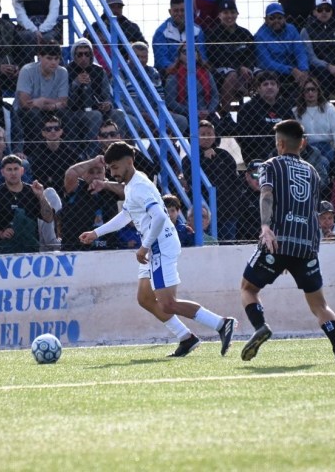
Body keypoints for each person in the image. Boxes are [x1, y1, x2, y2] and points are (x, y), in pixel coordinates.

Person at [77, 142, 235, 356]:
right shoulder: (133, 184)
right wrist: (96, 233)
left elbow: (160, 216)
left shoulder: (139, 186)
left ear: (129, 162)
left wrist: (144, 246)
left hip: (159, 246)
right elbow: (126, 215)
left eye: (114, 167)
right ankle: (186, 338)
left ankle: (221, 323)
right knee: (145, 299)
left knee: (168, 303)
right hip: (154, 246)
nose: (112, 173)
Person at [238, 119, 335, 363]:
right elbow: (311, 208)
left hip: (277, 240)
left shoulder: (271, 165)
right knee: (319, 305)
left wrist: (266, 226)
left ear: (280, 143)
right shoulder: (312, 171)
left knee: (248, 288)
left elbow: (266, 194)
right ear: (302, 143)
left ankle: (260, 327)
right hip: (306, 245)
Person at [180, 120, 241, 241]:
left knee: (228, 244)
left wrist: (235, 200)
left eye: (209, 133)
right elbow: (192, 180)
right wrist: (205, 159)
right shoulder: (189, 159)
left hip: (227, 209)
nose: (206, 137)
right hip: (204, 211)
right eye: (202, 134)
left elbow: (235, 180)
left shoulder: (224, 155)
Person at [299, 0, 335, 114]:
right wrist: (329, 66)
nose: (324, 12)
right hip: (320, 68)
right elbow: (311, 57)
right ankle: (324, 111)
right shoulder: (306, 30)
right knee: (322, 75)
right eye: (320, 9)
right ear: (314, 11)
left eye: (327, 9)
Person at [0, 155, 54, 253]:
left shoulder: (32, 191)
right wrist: (1, 234)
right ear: (2, 172)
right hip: (4, 249)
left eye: (16, 169)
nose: (13, 173)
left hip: (30, 247)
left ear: (22, 171)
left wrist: (41, 196)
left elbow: (49, 218)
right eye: (9, 169)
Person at [60, 155, 123, 251]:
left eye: (99, 172)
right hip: (76, 248)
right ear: (83, 174)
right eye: (91, 172)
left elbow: (129, 190)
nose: (96, 176)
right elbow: (71, 173)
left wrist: (105, 185)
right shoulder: (77, 187)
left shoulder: (109, 188)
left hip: (109, 248)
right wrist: (93, 162)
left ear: (104, 174)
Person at [14, 41, 69, 152]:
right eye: (49, 58)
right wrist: (54, 104)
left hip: (51, 111)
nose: (53, 62)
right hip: (26, 112)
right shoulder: (27, 70)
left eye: (56, 58)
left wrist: (43, 101)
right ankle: (36, 153)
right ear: (40, 57)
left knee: (66, 114)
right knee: (33, 113)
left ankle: (68, 151)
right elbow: (25, 103)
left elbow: (64, 102)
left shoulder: (63, 72)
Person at [230, 70, 293, 164]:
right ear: (258, 88)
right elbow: (244, 137)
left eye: (273, 84)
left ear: (278, 88)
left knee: (313, 152)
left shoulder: (285, 107)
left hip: (284, 150)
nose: (270, 87)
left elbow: (294, 130)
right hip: (258, 153)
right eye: (265, 84)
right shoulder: (248, 108)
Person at [205, 0, 255, 111]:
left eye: (232, 12)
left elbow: (252, 55)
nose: (229, 16)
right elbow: (217, 57)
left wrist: (247, 67)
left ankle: (257, 111)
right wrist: (239, 68)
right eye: (225, 12)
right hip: (221, 69)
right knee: (232, 75)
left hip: (245, 68)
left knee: (261, 75)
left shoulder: (245, 33)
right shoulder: (213, 34)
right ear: (219, 15)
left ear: (237, 14)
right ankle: (227, 114)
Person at [254, 2, 309, 92]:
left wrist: (304, 70)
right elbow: (267, 63)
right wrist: (291, 70)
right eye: (272, 18)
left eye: (279, 18)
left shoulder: (291, 29)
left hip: (296, 71)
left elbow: (300, 51)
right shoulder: (260, 36)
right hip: (275, 72)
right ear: (266, 20)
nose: (276, 21)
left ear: (285, 18)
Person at [293, 77, 335, 170]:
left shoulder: (329, 108)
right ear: (302, 94)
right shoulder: (296, 111)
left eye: (313, 89)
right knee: (322, 162)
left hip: (326, 147)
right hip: (307, 148)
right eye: (307, 90)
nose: (310, 93)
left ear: (318, 91)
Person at [164, 43, 220, 127]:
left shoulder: (206, 73)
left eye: (193, 50)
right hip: (184, 113)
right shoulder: (173, 75)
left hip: (205, 111)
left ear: (197, 54)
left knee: (216, 124)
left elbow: (215, 95)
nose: (189, 54)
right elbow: (170, 101)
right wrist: (191, 111)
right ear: (179, 56)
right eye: (185, 52)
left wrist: (209, 110)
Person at [152, 0, 207, 79]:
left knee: (208, 77)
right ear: (170, 12)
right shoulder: (161, 32)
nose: (179, 14)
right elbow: (162, 60)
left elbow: (202, 56)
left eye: (182, 10)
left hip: (195, 70)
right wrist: (178, 67)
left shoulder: (197, 30)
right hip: (171, 73)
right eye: (176, 11)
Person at [25, 115, 81, 192]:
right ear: (43, 133)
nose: (53, 131)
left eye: (56, 128)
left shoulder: (70, 151)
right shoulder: (36, 152)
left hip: (67, 189)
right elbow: (38, 177)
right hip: (43, 190)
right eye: (48, 129)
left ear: (61, 131)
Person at [91, 0, 147, 71]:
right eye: (112, 7)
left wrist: (132, 47)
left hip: (126, 63)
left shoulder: (131, 27)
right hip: (101, 63)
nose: (116, 9)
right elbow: (87, 44)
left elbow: (143, 44)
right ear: (105, 9)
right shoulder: (95, 27)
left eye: (119, 7)